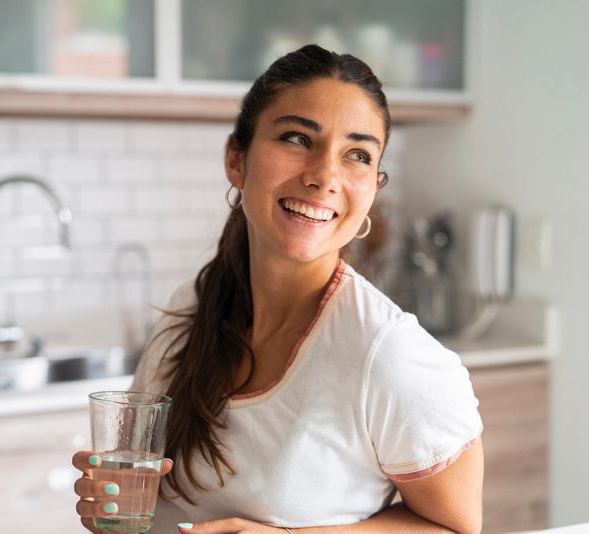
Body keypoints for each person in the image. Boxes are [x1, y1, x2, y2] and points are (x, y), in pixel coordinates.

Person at [72, 44, 484, 534]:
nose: (324, 176)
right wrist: (109, 508)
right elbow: (135, 507)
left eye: (357, 155)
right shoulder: (189, 312)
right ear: (236, 159)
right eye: (297, 138)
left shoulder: (390, 356)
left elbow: (457, 528)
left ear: (374, 185)